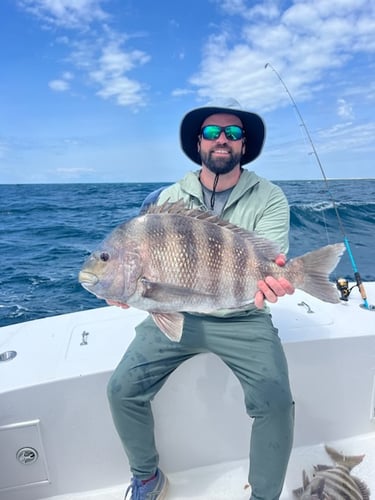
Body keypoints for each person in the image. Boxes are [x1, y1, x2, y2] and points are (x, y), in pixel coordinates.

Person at [107, 98, 295, 500]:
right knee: (121, 389)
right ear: (199, 144)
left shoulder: (270, 197)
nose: (221, 140)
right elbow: (141, 264)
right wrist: (120, 287)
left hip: (245, 315)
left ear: (245, 144)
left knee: (276, 401)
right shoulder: (169, 197)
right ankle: (146, 477)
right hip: (174, 311)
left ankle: (264, 495)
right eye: (212, 133)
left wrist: (275, 280)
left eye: (232, 133)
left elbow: (269, 259)